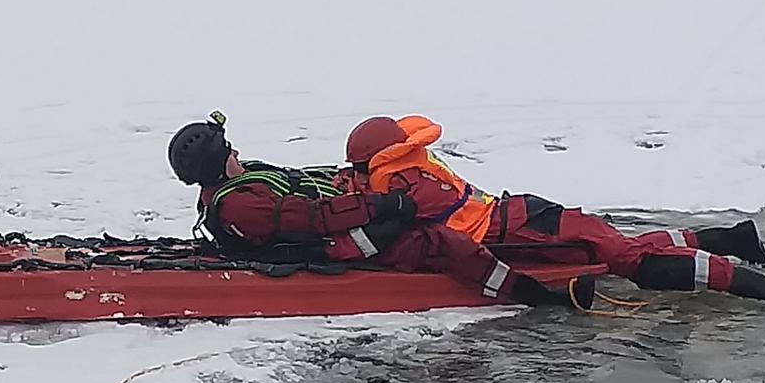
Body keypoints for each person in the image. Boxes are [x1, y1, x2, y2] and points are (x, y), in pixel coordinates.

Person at [343, 115, 765, 306]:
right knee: (609, 249)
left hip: (521, 233)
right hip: (522, 215)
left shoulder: (401, 185)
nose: (358, 176)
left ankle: (756, 285)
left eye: (360, 169)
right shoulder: (413, 166)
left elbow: (388, 223)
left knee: (627, 260)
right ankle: (727, 240)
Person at [167, 114, 595, 310]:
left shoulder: (244, 183)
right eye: (228, 150)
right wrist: (383, 205)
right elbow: (312, 220)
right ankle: (537, 297)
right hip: (330, 246)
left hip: (336, 227)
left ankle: (523, 253)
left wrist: (354, 182)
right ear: (214, 162)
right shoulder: (242, 203)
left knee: (412, 220)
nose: (237, 151)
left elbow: (307, 189)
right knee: (438, 242)